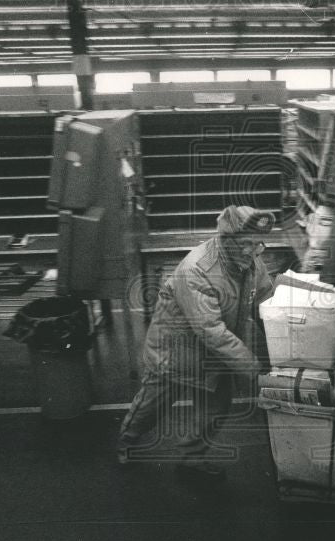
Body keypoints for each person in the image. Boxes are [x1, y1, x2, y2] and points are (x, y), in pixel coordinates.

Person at [117, 205, 276, 480]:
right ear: (228, 240)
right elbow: (211, 330)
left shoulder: (249, 261)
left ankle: (192, 457)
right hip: (176, 353)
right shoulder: (197, 269)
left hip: (214, 355)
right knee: (153, 405)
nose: (254, 251)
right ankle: (127, 441)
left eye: (258, 244)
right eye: (247, 244)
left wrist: (284, 332)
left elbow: (265, 300)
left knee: (215, 408)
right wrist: (254, 368)